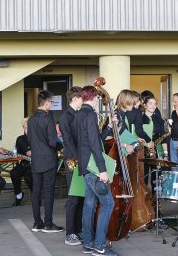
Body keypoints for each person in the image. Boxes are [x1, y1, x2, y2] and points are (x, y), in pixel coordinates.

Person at [75, 86, 117, 256]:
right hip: (94, 168)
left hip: (85, 166)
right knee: (108, 203)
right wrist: (103, 170)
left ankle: (87, 244)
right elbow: (95, 145)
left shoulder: (78, 114)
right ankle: (99, 246)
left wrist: (108, 127)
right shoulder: (91, 114)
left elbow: (94, 139)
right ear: (93, 98)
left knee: (89, 205)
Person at [28, 90, 64, 233]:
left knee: (36, 191)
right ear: (47, 102)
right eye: (50, 103)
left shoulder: (31, 119)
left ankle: (37, 223)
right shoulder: (48, 118)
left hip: (36, 159)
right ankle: (48, 224)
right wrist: (61, 144)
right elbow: (52, 142)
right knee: (48, 192)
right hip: (48, 159)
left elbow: (30, 139)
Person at [59, 86, 84, 246]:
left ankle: (78, 229)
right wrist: (80, 157)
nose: (83, 101)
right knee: (73, 197)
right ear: (75, 99)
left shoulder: (78, 114)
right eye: (82, 98)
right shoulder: (65, 117)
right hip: (72, 160)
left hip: (80, 158)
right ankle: (70, 233)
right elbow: (68, 140)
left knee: (81, 196)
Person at [142, 96, 169, 187]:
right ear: (144, 105)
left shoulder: (159, 119)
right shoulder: (139, 118)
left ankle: (155, 199)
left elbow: (164, 138)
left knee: (156, 178)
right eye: (150, 103)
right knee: (143, 178)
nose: (153, 106)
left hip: (156, 152)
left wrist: (165, 154)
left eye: (155, 104)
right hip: (142, 151)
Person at [10, 118, 33, 206]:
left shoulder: (38, 138)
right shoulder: (20, 139)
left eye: (29, 127)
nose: (27, 130)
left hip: (36, 165)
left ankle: (35, 195)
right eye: (25, 127)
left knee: (28, 177)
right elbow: (16, 153)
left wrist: (34, 151)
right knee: (14, 173)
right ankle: (19, 195)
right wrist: (11, 153)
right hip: (24, 163)